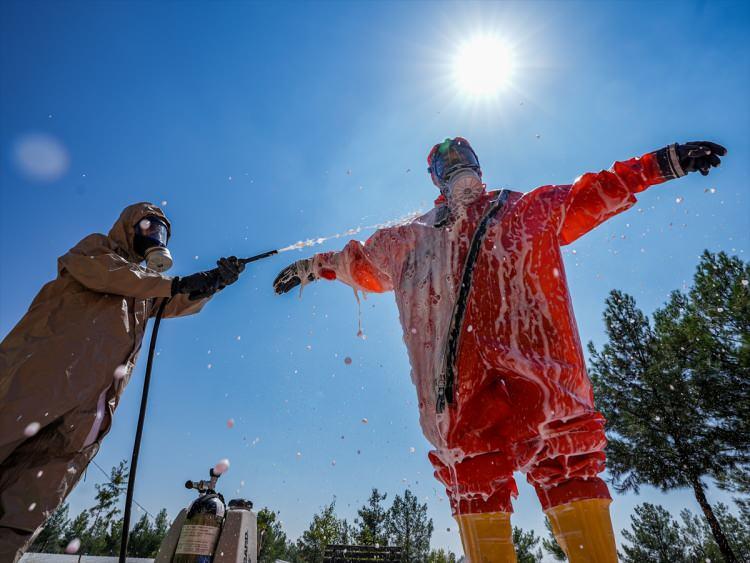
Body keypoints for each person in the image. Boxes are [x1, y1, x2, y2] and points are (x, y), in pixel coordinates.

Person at [273, 139, 726, 562]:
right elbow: (362, 266)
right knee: (472, 477)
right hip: (457, 396)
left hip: (543, 382)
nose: (456, 168)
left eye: (462, 157)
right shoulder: (410, 239)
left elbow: (591, 195)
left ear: (478, 166)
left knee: (566, 462)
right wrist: (313, 266)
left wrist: (661, 164)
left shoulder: (523, 209)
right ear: (434, 178)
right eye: (444, 163)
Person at [0, 202, 245, 562]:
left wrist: (213, 282)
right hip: (37, 383)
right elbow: (112, 276)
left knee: (27, 505)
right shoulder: (96, 251)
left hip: (86, 417)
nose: (153, 237)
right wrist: (173, 283)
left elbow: (172, 300)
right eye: (148, 227)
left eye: (160, 233)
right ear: (129, 227)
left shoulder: (144, 293)